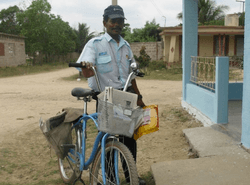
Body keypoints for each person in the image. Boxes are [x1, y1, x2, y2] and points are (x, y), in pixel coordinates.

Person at [76, 5, 146, 185]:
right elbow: (86, 72)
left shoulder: (126, 46)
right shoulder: (95, 44)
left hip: (125, 97)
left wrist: (139, 96)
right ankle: (110, 179)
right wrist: (86, 67)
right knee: (107, 139)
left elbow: (132, 75)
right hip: (105, 97)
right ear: (105, 23)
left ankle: (131, 177)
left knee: (129, 139)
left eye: (120, 21)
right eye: (113, 21)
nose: (117, 24)